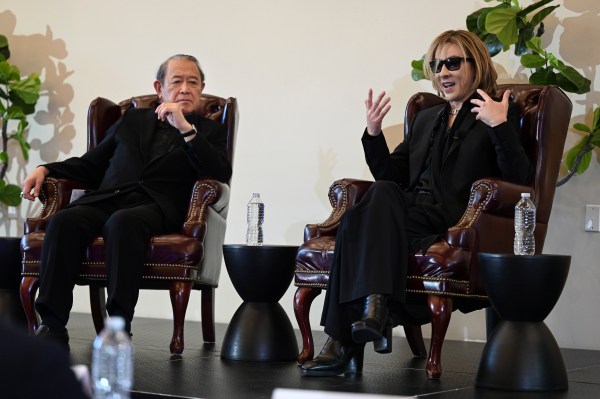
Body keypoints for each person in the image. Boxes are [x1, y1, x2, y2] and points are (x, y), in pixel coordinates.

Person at [301, 30, 531, 377]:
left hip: (453, 219)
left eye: (453, 63)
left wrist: (499, 125)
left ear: (476, 64)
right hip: (408, 212)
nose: (443, 72)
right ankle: (372, 312)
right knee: (374, 200)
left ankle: (345, 338)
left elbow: (519, 178)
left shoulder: (497, 111)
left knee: (355, 223)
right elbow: (391, 176)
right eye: (437, 65)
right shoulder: (426, 119)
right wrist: (374, 134)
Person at [20, 54, 232, 350]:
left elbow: (219, 173)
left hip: (158, 206)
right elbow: (91, 165)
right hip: (110, 198)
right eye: (177, 81)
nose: (185, 88)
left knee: (123, 223)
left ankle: (118, 328)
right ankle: (52, 326)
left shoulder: (208, 131)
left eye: (193, 83)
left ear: (201, 88)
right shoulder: (131, 120)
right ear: (160, 88)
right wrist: (46, 169)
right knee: (64, 220)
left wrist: (185, 128)